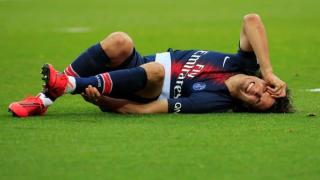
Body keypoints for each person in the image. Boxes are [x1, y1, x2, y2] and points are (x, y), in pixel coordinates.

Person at [8, 13, 293, 117]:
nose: (257, 93)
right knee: (120, 40)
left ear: (246, 106)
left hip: (145, 88)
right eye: (265, 91)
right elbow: (251, 20)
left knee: (157, 72)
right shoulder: (242, 63)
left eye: (257, 102)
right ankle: (46, 98)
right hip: (139, 66)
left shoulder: (214, 100)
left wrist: (104, 102)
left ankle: (67, 85)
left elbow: (149, 108)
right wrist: (267, 70)